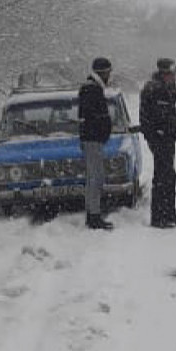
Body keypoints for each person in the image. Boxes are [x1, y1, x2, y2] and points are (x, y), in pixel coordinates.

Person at [140, 57, 176, 229]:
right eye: (172, 73)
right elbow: (161, 115)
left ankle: (169, 213)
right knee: (162, 177)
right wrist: (167, 131)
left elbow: (165, 106)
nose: (174, 77)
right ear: (165, 73)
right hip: (161, 139)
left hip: (164, 138)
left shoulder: (160, 87)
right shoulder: (156, 88)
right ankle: (159, 217)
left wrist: (175, 94)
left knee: (169, 176)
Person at [79, 57, 114, 230]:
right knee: (95, 178)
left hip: (94, 139)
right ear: (103, 72)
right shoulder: (91, 89)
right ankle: (93, 215)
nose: (110, 76)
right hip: (93, 140)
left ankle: (94, 212)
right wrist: (103, 128)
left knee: (95, 177)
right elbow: (94, 116)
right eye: (108, 72)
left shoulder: (92, 88)